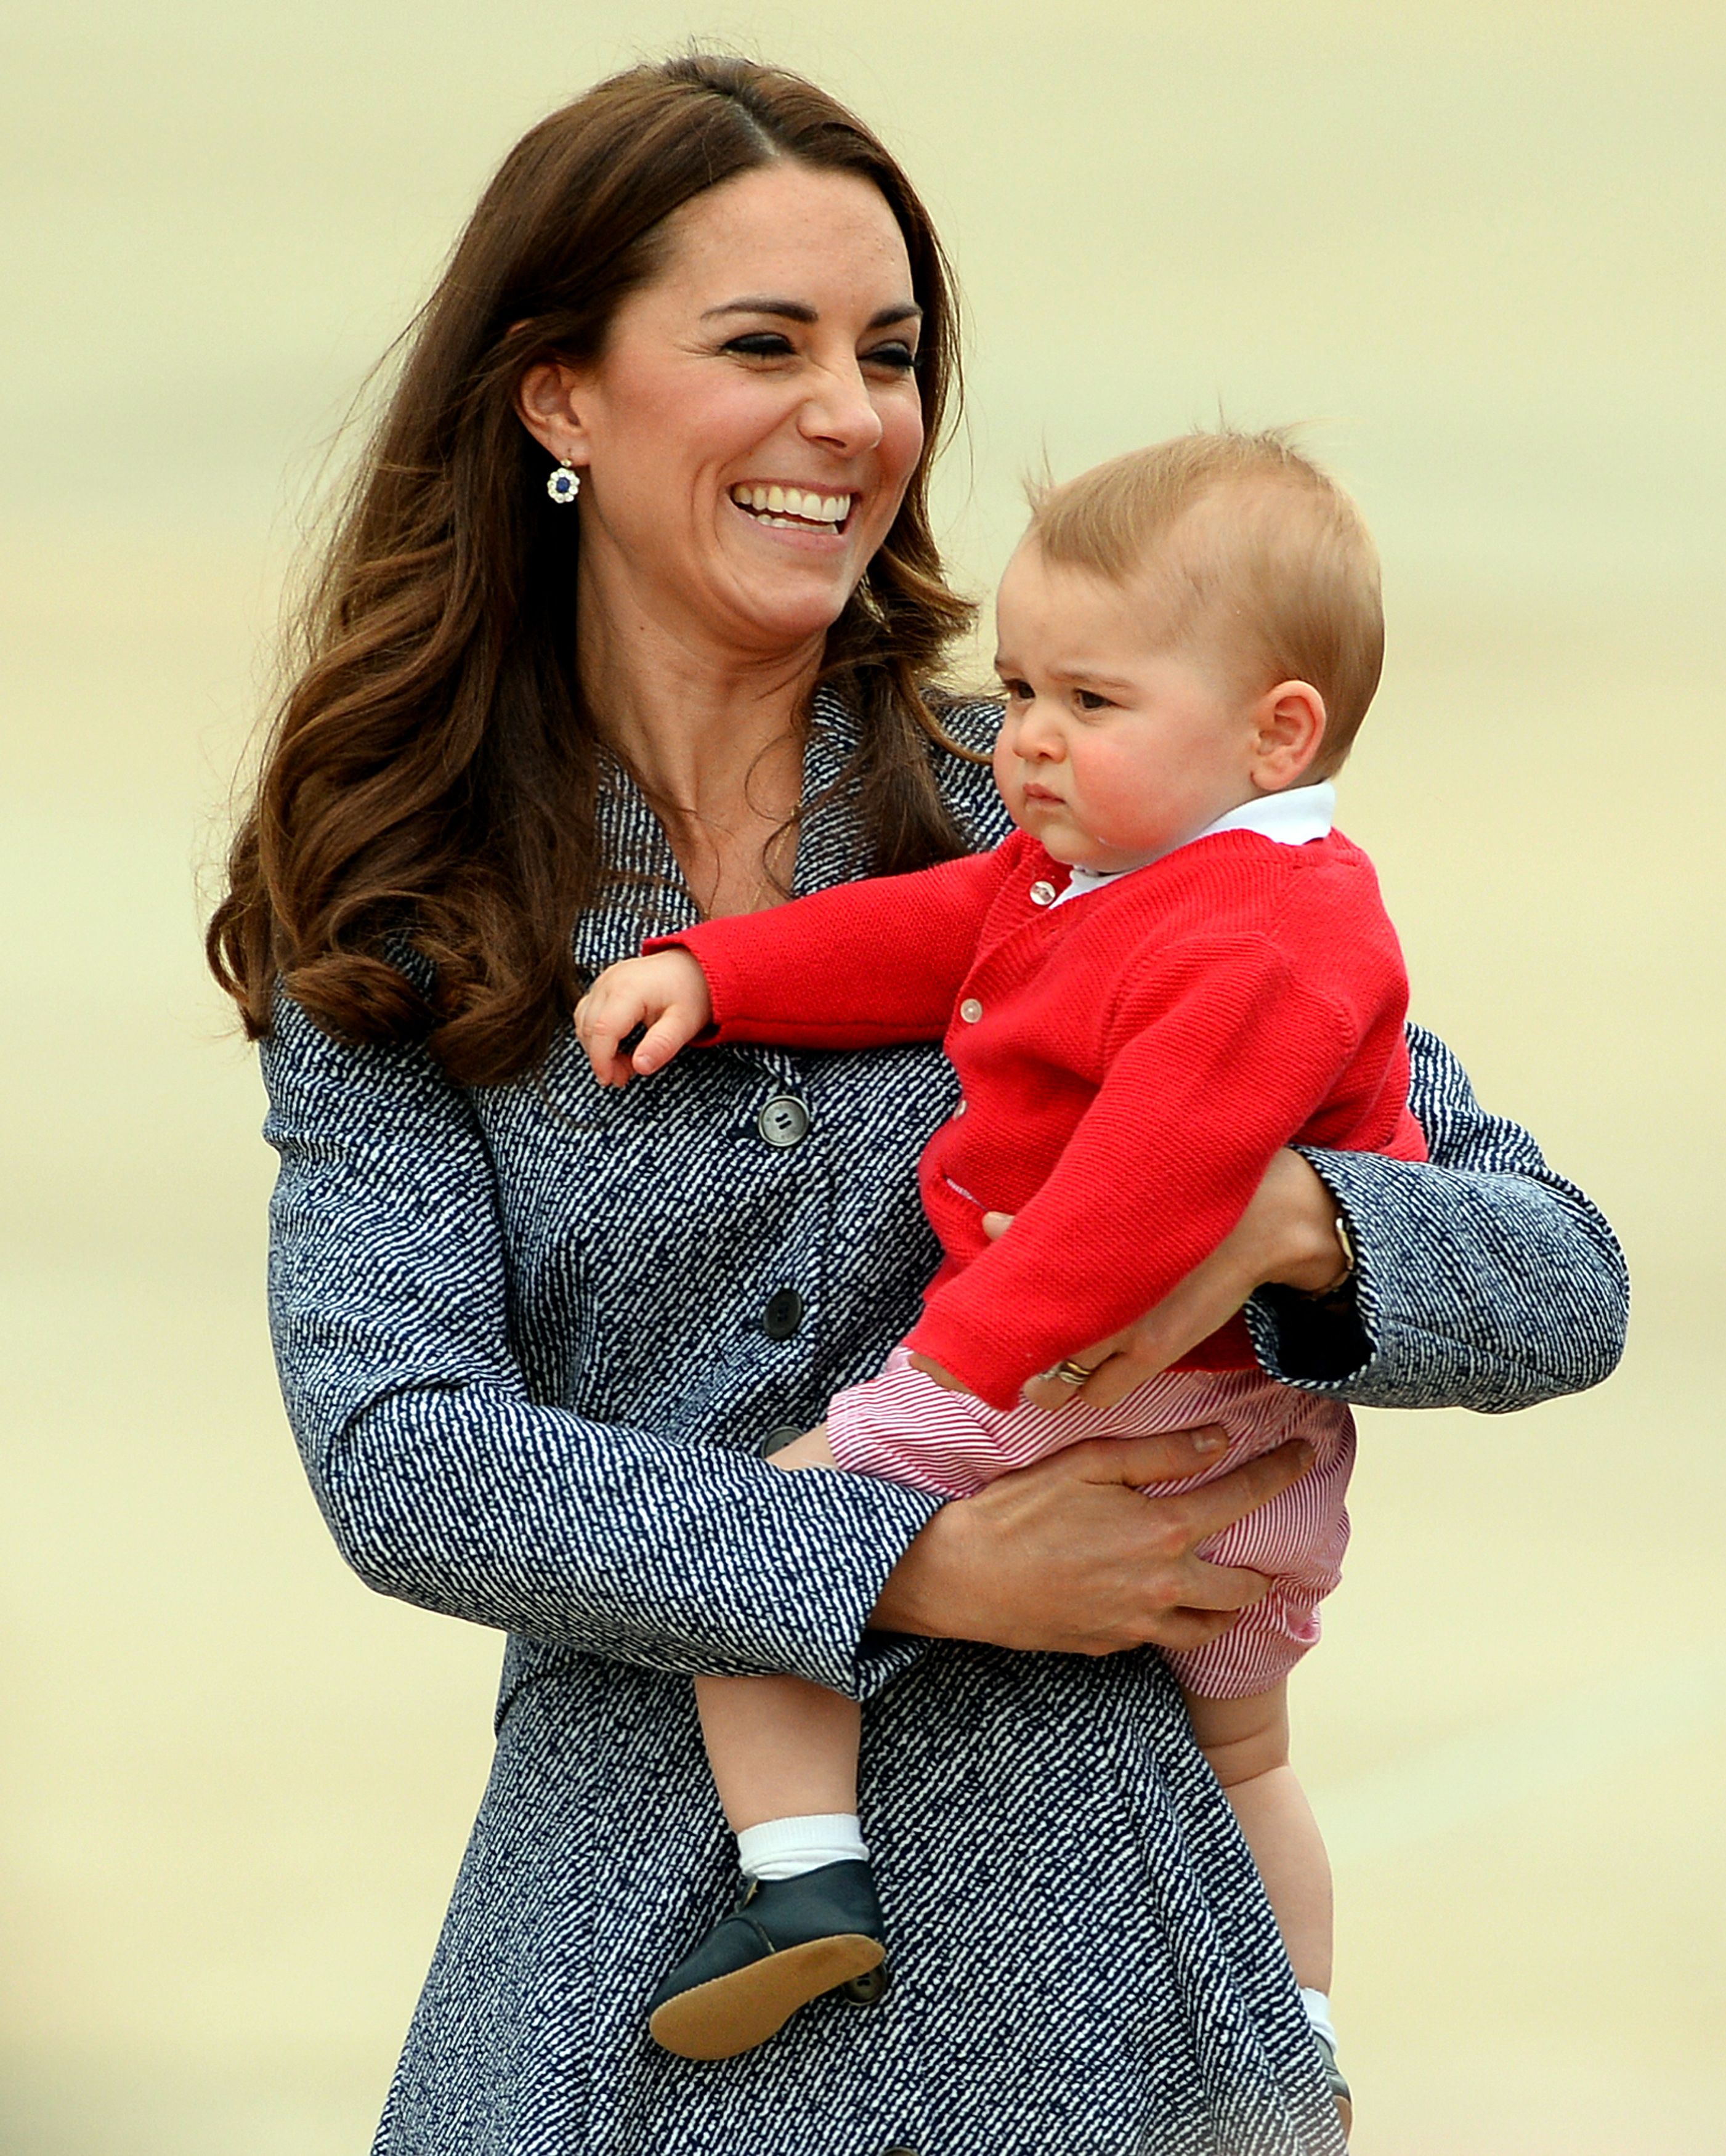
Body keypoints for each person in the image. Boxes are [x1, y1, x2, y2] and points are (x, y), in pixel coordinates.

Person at [206, 52, 1628, 2156]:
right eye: (761, 346)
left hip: (1104, 1986)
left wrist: (1295, 1227)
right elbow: (404, 1455)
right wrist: (914, 1559)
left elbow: (1561, 1277)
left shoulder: (1078, 800)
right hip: (616, 1991)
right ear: (559, 400)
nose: (850, 417)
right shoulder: (411, 905)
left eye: (887, 354)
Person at [576, 431, 1414, 2111]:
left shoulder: (1256, 933)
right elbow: (928, 930)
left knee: (763, 1548)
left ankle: (802, 1875)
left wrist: (968, 1355)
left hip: (1085, 1394)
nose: (1023, 738)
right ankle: (1298, 2040)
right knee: (1246, 1755)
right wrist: (716, 970)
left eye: (1087, 704)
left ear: (1277, 729)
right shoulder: (1120, 868)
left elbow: (1144, 1188)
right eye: (1017, 685)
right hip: (1245, 1459)